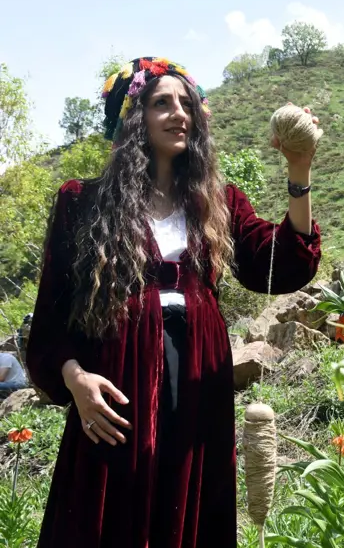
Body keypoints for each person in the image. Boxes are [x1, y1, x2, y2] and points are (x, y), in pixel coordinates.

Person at [25, 57, 322, 548]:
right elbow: (51, 322)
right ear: (132, 117)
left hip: (198, 377)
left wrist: (299, 169)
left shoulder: (218, 201)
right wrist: (75, 381)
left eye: (186, 104)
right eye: (161, 103)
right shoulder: (83, 201)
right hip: (115, 385)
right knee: (111, 513)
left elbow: (284, 264)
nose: (178, 114)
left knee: (191, 506)